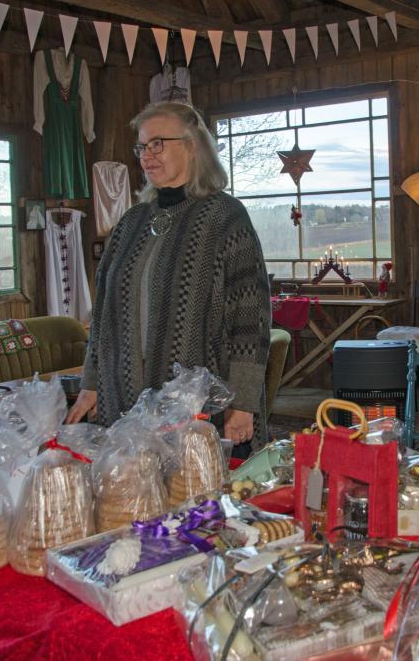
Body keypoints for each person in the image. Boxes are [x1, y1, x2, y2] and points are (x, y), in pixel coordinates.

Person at [66, 102, 271, 453]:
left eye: (157, 143)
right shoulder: (130, 223)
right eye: (142, 147)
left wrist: (244, 402)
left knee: (195, 487)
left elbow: (250, 319)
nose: (147, 156)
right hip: (123, 403)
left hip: (199, 407)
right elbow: (103, 315)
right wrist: (92, 382)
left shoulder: (225, 217)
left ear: (192, 146)